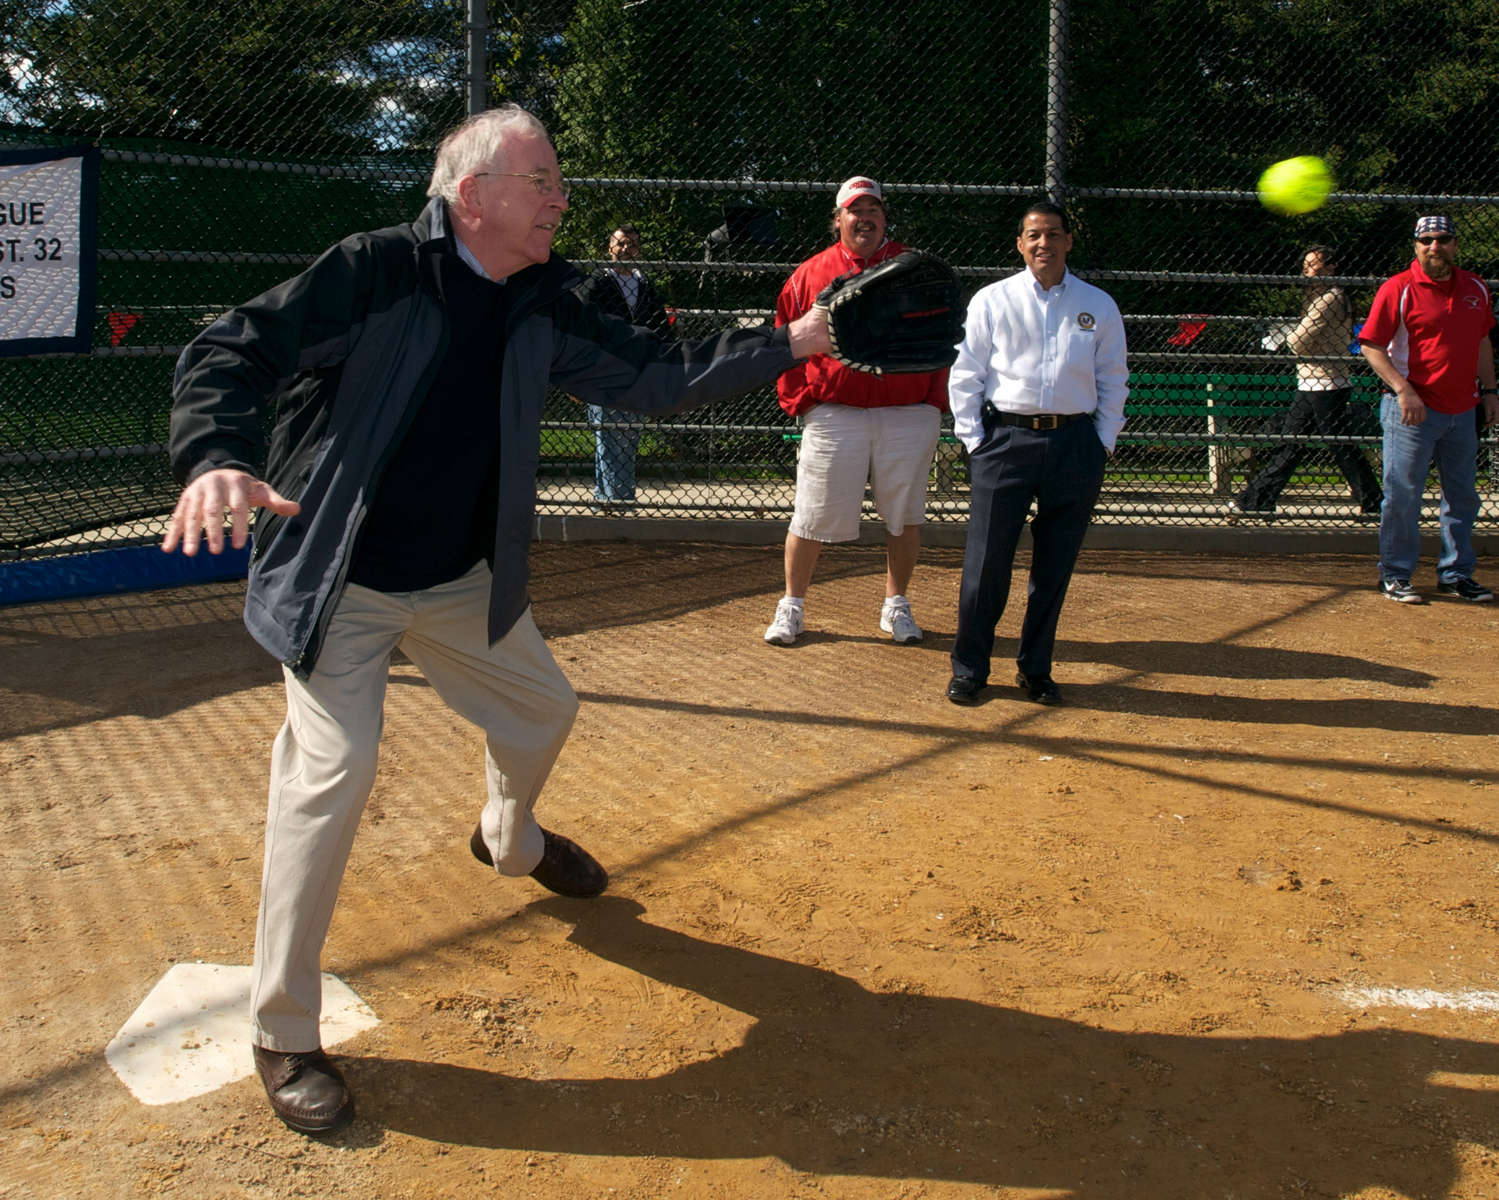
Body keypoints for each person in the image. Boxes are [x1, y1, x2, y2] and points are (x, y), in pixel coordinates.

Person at [160, 104, 832, 1135]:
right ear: (472, 195)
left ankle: (507, 838)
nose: (561, 199)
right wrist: (215, 453)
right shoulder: (376, 268)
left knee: (543, 710)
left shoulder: (547, 299)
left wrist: (794, 339)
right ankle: (282, 1029)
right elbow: (233, 347)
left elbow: (652, 376)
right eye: (544, 180)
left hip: (460, 578)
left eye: (558, 182)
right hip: (341, 577)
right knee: (330, 775)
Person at [945, 200, 1128, 707]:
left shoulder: (1098, 305)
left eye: (1052, 234)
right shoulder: (992, 300)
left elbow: (1113, 377)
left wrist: (1102, 440)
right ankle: (970, 667)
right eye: (1033, 235)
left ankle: (1035, 668)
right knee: (986, 563)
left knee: (1054, 565)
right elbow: (966, 373)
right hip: (1005, 442)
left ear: (1069, 240)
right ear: (1020, 244)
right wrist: (975, 441)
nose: (1043, 243)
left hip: (1075, 445)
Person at [762, 176, 949, 647]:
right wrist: (802, 401)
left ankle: (896, 604)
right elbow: (785, 340)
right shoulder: (810, 273)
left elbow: (944, 335)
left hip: (907, 410)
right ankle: (792, 605)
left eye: (873, 210)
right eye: (854, 210)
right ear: (839, 218)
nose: (864, 218)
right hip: (836, 411)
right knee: (810, 514)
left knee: (903, 515)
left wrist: (934, 402)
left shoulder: (913, 267)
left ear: (884, 217)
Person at [1358, 215, 1498, 604]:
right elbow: (1370, 344)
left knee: (1463, 496)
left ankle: (1455, 574)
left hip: (1462, 409)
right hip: (1411, 410)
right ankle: (1396, 574)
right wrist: (1404, 390)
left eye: (1443, 239)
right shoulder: (1398, 288)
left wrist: (1490, 390)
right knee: (1403, 495)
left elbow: (1482, 340)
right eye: (1426, 241)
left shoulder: (1475, 287)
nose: (1434, 247)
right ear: (1415, 246)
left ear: (1455, 244)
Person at [1227, 245, 1381, 522]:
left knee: (1338, 445)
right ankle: (1257, 499)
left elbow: (1299, 341)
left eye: (1316, 265)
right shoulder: (1322, 297)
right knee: (1292, 443)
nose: (1310, 271)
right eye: (1307, 266)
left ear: (1332, 268)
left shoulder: (1330, 297)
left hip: (1326, 382)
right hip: (1313, 381)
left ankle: (1374, 502)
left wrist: (1290, 336)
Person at [574, 223, 673, 509]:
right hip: (605, 367)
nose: (626, 248)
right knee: (608, 433)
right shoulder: (597, 282)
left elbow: (660, 327)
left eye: (632, 244)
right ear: (610, 248)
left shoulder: (645, 285)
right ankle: (619, 499)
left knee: (627, 436)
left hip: (638, 367)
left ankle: (606, 498)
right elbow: (581, 323)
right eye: (621, 243)